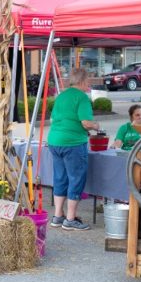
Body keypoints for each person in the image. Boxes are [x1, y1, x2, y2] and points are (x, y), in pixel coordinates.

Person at [48, 68, 99, 231]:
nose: (89, 84)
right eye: (89, 81)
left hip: (55, 140)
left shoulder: (61, 96)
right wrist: (96, 126)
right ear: (82, 81)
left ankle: (57, 216)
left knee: (60, 177)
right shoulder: (82, 98)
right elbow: (86, 122)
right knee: (76, 178)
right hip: (73, 143)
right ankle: (70, 219)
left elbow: (55, 118)